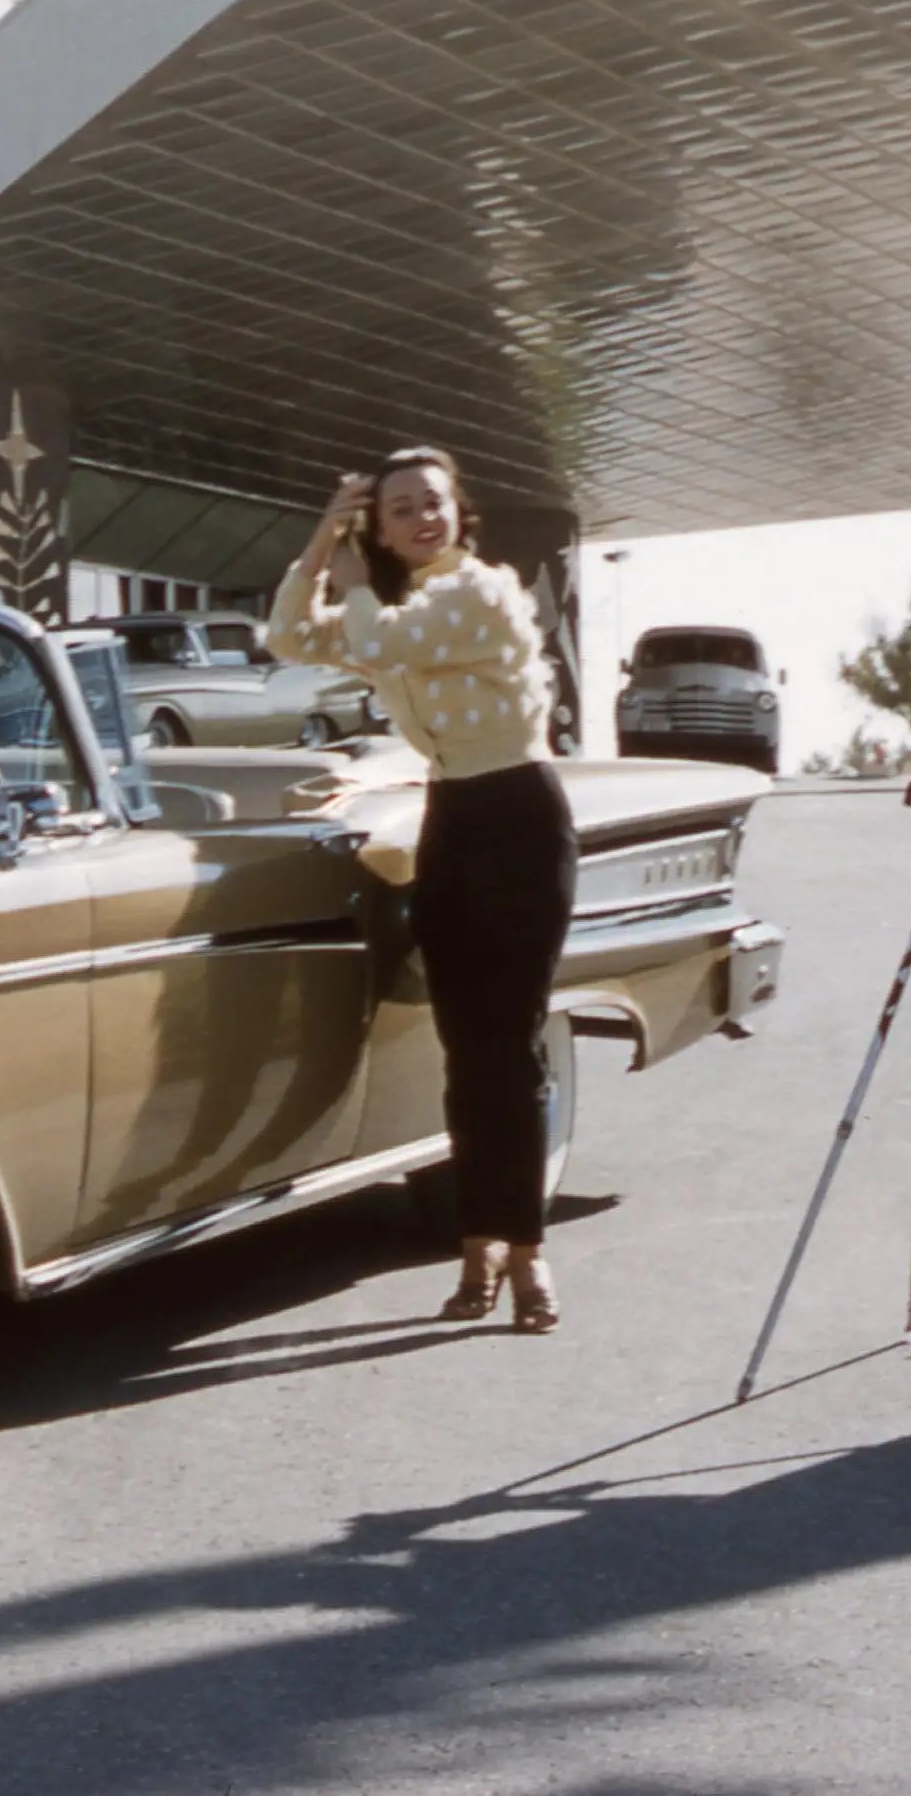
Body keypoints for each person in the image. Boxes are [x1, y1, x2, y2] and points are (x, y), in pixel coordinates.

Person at [270, 448, 573, 1334]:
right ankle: (478, 1241)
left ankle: (524, 1253)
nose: (419, 519)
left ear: (459, 511)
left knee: (509, 1046)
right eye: (398, 508)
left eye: (431, 502)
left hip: (518, 814)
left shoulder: (479, 591)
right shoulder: (391, 606)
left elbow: (375, 642)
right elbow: (287, 637)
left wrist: (356, 578)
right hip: (451, 822)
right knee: (462, 1045)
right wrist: (325, 535)